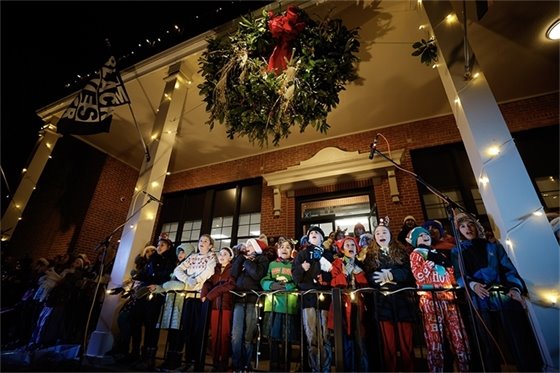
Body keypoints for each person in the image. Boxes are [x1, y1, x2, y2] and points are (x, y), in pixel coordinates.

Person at [451, 212, 543, 372]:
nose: (467, 229)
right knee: (487, 344)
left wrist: (515, 288)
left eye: (470, 224)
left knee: (517, 340)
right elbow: (458, 275)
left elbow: (508, 269)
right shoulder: (456, 251)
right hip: (479, 301)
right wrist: (472, 285)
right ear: (459, 230)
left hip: (503, 297)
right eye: (463, 226)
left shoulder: (494, 247)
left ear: (476, 226)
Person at [408, 227, 470, 372]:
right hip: (430, 300)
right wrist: (430, 260)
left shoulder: (440, 254)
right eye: (421, 235)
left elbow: (451, 275)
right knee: (435, 341)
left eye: (427, 235)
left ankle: (465, 367)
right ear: (415, 240)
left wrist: (451, 278)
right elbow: (419, 276)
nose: (425, 236)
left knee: (459, 339)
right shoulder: (415, 254)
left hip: (449, 299)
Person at [361, 216, 417, 372]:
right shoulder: (371, 256)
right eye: (377, 233)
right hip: (383, 302)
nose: (381, 236)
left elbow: (407, 272)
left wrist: (392, 274)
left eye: (384, 232)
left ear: (390, 234)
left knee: (406, 343)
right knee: (388, 344)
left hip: (401, 300)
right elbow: (369, 274)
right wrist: (378, 277)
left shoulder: (400, 252)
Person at [129, 233, 177, 371]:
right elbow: (147, 273)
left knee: (151, 326)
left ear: (168, 247)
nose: (159, 247)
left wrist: (157, 283)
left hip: (156, 294)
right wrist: (139, 276)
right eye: (158, 244)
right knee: (135, 320)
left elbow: (168, 276)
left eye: (162, 245)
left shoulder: (169, 260)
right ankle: (135, 352)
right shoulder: (151, 259)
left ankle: (148, 357)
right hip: (144, 291)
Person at [292, 226, 334, 373]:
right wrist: (301, 268)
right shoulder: (302, 254)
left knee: (325, 336)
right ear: (308, 238)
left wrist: (325, 277)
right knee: (312, 337)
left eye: (317, 232)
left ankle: (326, 368)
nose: (314, 234)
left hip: (324, 299)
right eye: (311, 233)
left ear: (322, 238)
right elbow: (295, 277)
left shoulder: (329, 254)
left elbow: (334, 273)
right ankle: (315, 368)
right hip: (308, 298)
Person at [172, 234, 217, 370]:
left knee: (199, 331)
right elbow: (177, 270)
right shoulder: (192, 257)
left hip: (200, 298)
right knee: (187, 329)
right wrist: (187, 279)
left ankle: (197, 362)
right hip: (189, 297)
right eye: (200, 241)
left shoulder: (212, 257)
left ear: (210, 245)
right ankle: (187, 360)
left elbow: (209, 272)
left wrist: (196, 280)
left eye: (205, 241)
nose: (202, 243)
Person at [328, 236, 369, 372]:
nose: (350, 247)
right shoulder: (337, 263)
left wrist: (357, 273)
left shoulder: (361, 264)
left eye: (353, 244)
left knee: (361, 341)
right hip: (342, 306)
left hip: (358, 305)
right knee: (346, 341)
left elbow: (365, 283)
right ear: (342, 249)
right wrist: (344, 274)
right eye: (347, 245)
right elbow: (333, 283)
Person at [231, 237, 269, 372]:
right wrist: (241, 258)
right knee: (236, 335)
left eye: (249, 245)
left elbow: (257, 274)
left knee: (248, 335)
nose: (246, 246)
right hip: (238, 301)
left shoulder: (262, 259)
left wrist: (247, 261)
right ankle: (236, 365)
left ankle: (247, 365)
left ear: (256, 247)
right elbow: (233, 274)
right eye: (245, 244)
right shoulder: (241, 259)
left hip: (253, 301)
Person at [260, 238, 299, 372]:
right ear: (277, 250)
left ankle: (285, 367)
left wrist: (287, 287)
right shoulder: (271, 264)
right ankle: (273, 367)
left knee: (286, 341)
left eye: (288, 247)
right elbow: (264, 279)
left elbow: (297, 282)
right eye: (282, 247)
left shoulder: (295, 264)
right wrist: (271, 285)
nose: (284, 249)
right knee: (273, 340)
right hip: (272, 306)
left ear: (292, 250)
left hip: (288, 306)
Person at [201, 246, 236, 372]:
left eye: (225, 254)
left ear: (230, 257)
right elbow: (208, 282)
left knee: (224, 335)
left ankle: (224, 362)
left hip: (226, 306)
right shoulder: (215, 269)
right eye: (220, 254)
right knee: (215, 336)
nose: (221, 256)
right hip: (214, 306)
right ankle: (215, 362)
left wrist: (212, 294)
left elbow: (231, 284)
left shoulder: (232, 269)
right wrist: (204, 292)